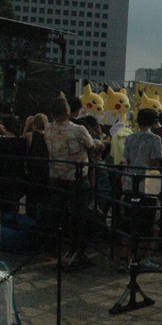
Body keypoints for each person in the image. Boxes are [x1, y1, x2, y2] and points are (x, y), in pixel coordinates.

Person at [44, 97, 100, 268]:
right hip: (76, 178)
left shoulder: (48, 128)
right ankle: (77, 253)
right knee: (79, 217)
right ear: (67, 110)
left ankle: (56, 250)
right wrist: (99, 143)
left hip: (55, 176)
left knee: (56, 214)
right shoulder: (78, 129)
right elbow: (92, 146)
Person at [118, 108, 162, 271]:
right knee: (146, 224)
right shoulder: (155, 139)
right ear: (153, 122)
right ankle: (138, 260)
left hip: (130, 184)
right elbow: (154, 164)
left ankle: (123, 259)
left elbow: (127, 159)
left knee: (128, 224)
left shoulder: (130, 137)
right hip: (147, 185)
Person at [0, 114, 26, 213]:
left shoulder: (0, 142)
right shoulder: (22, 142)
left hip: (3, 180)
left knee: (3, 209)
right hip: (17, 179)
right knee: (14, 208)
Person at [23, 113, 50, 221]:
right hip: (46, 171)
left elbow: (21, 140)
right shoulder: (49, 137)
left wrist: (26, 125)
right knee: (44, 199)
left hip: (33, 171)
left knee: (31, 200)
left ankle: (30, 221)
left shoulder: (30, 136)